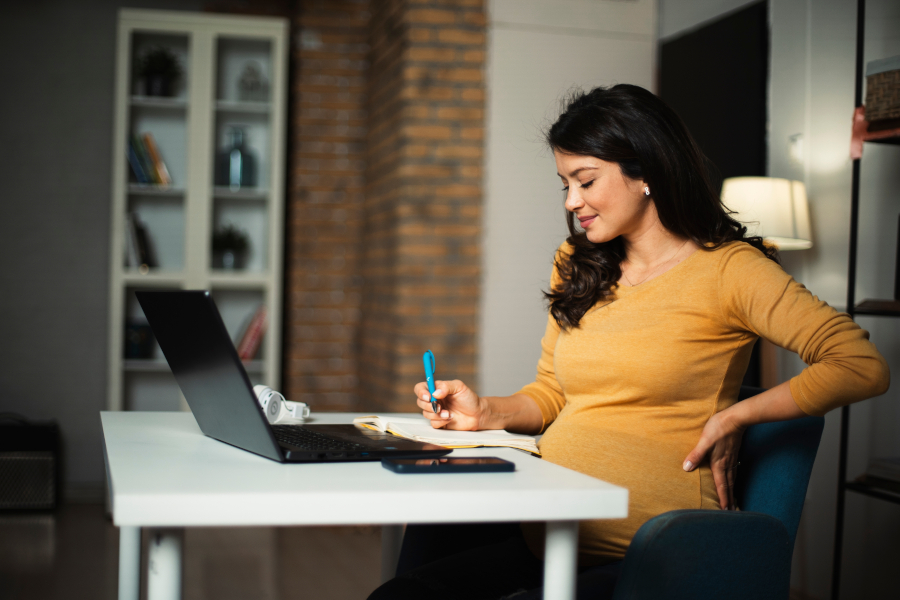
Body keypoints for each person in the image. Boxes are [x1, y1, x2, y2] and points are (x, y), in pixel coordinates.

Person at [368, 84, 890, 600]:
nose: (573, 202)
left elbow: (860, 364)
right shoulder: (578, 264)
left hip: (652, 553)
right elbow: (552, 392)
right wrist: (485, 412)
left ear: (645, 170)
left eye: (586, 181)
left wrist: (736, 416)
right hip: (547, 534)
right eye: (564, 184)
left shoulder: (731, 271)